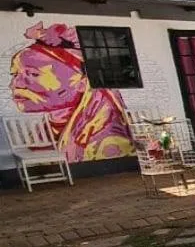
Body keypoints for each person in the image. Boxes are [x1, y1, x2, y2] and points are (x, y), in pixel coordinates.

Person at [8, 22, 134, 163]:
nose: (15, 84)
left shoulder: (107, 141)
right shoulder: (46, 131)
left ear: (82, 81)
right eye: (14, 74)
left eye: (33, 74)